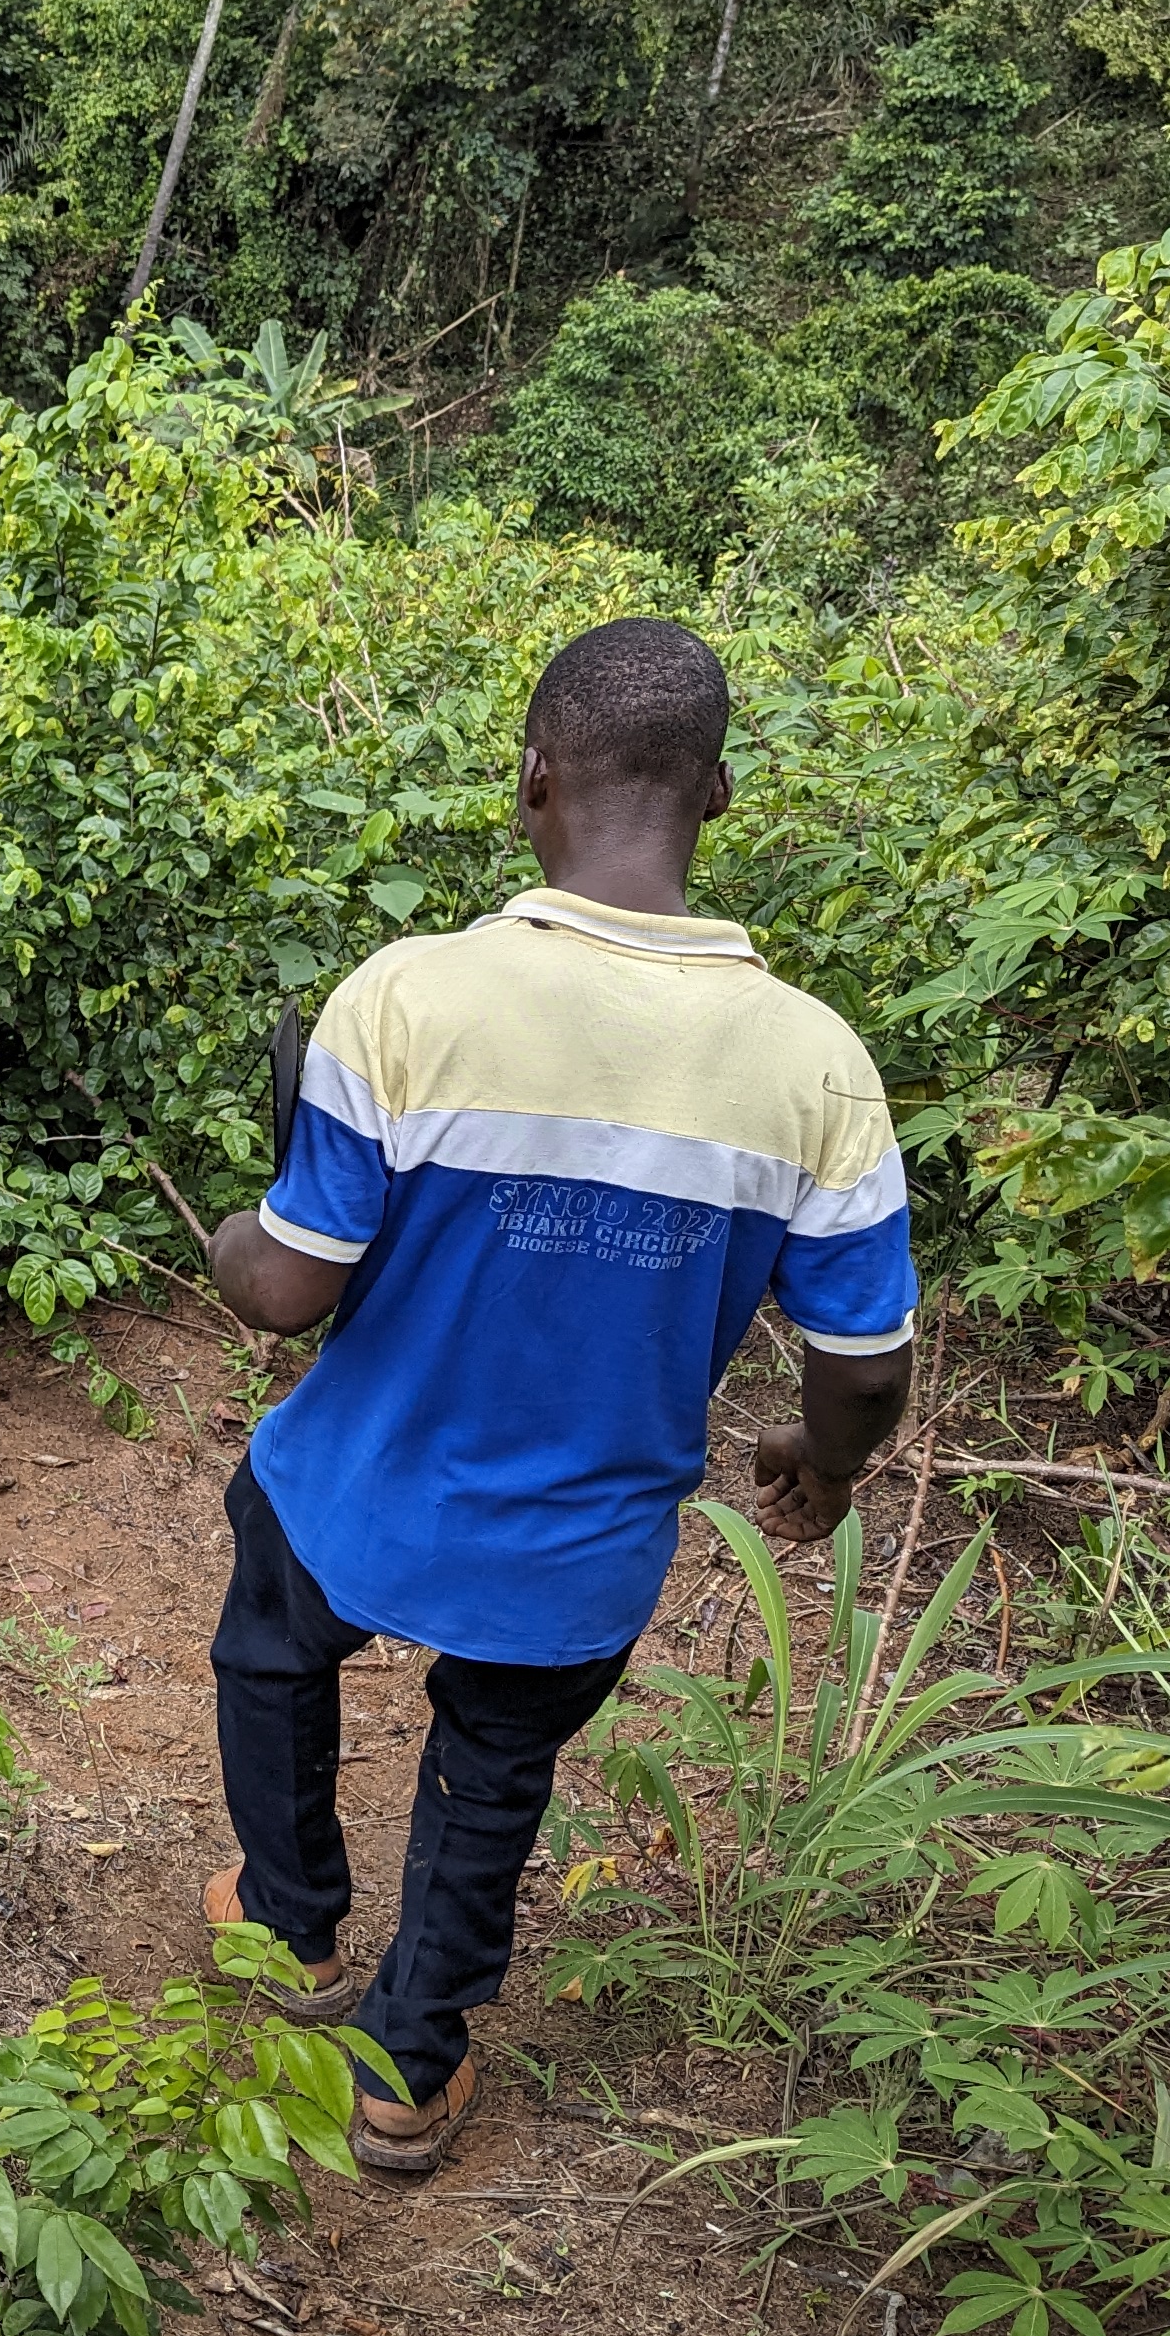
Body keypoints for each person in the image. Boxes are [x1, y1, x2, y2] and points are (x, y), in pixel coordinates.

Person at [201, 619, 917, 2175]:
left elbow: (288, 1288)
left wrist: (227, 1240)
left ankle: (290, 1920)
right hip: (576, 1542)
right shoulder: (815, 1065)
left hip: (357, 1488)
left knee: (271, 1648)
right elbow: (865, 1362)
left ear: (533, 779)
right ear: (717, 794)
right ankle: (405, 2067)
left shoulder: (406, 998)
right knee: (491, 1769)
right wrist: (823, 1457)